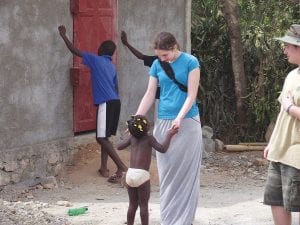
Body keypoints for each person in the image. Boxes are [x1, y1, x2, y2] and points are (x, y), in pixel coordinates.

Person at [135, 31, 203, 225]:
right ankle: (169, 220)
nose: (162, 59)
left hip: (187, 122)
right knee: (167, 175)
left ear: (175, 47)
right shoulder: (157, 65)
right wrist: (137, 117)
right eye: (159, 55)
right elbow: (149, 94)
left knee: (187, 174)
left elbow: (191, 95)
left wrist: (180, 118)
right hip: (163, 121)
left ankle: (184, 221)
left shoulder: (191, 62)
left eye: (165, 55)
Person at [58, 25, 127, 183]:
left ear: (101, 50)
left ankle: (122, 166)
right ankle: (103, 167)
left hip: (106, 103)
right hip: (115, 102)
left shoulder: (96, 60)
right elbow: (116, 86)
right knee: (105, 137)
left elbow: (75, 51)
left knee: (100, 138)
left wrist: (63, 35)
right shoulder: (111, 66)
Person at [263, 24, 300, 225]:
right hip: (280, 151)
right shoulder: (291, 75)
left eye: (288, 46)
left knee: (295, 203)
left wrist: (290, 108)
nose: (284, 50)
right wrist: (272, 143)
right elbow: (281, 112)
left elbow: (287, 108)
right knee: (275, 200)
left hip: (296, 155)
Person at [117, 115, 178, 225]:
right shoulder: (149, 139)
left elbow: (119, 146)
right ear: (147, 127)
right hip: (142, 175)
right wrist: (169, 135)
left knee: (132, 205)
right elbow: (162, 149)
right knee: (143, 205)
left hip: (130, 174)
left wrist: (130, 135)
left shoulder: (132, 138)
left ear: (131, 130)